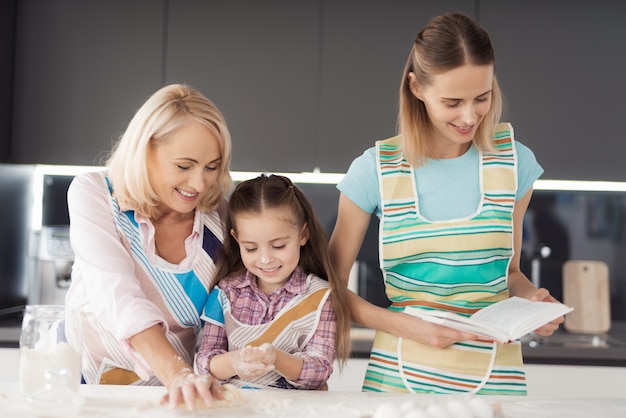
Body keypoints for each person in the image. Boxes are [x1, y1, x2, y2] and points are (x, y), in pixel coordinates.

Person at [328, 12, 564, 395]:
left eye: (481, 98)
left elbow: (509, 273)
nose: (469, 116)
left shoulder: (514, 164)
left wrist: (532, 301)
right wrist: (406, 324)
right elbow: (329, 289)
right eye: (452, 102)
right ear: (417, 88)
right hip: (400, 375)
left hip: (495, 379)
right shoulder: (376, 170)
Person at [64, 84, 232, 409]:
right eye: (184, 166)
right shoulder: (95, 194)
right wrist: (178, 374)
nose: (199, 183)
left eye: (211, 167)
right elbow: (118, 294)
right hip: (85, 393)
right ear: (145, 150)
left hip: (174, 399)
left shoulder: (220, 219)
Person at [195, 174, 351, 390]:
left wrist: (275, 358)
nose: (266, 259)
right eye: (250, 248)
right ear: (236, 239)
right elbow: (205, 362)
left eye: (278, 246)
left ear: (303, 234)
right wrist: (236, 362)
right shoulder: (225, 293)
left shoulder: (320, 297)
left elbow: (320, 369)